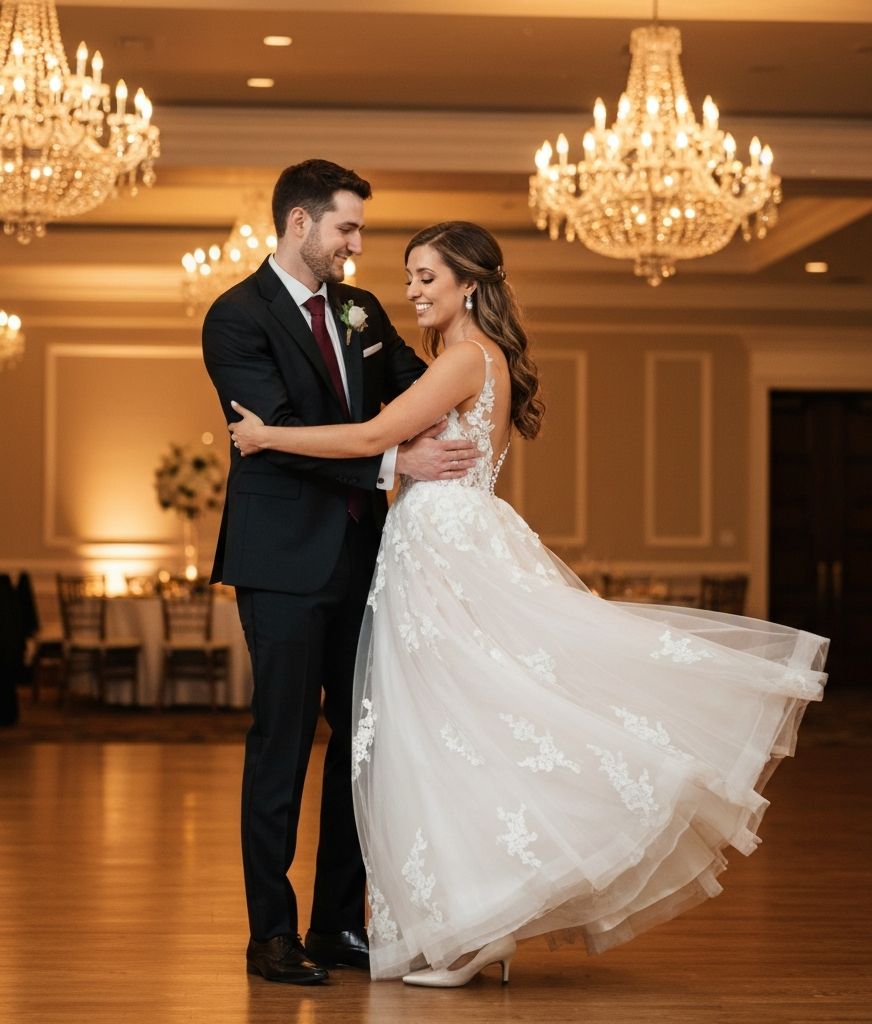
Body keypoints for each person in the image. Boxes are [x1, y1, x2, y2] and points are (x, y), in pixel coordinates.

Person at [229, 221, 829, 988]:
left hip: (442, 549)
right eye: (408, 277)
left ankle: (476, 929)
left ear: (468, 285)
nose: (410, 291)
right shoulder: (484, 356)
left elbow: (376, 433)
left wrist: (271, 440)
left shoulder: (461, 361)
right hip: (449, 541)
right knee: (460, 731)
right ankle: (482, 926)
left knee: (453, 732)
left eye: (425, 278)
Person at [202, 160, 480, 986]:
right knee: (282, 746)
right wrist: (399, 461)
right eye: (346, 229)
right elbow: (278, 430)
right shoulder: (235, 317)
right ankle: (271, 934)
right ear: (299, 223)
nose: (358, 244)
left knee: (364, 748)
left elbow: (411, 380)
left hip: (366, 560)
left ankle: (335, 925)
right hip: (281, 564)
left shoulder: (359, 309)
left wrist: (477, 358)